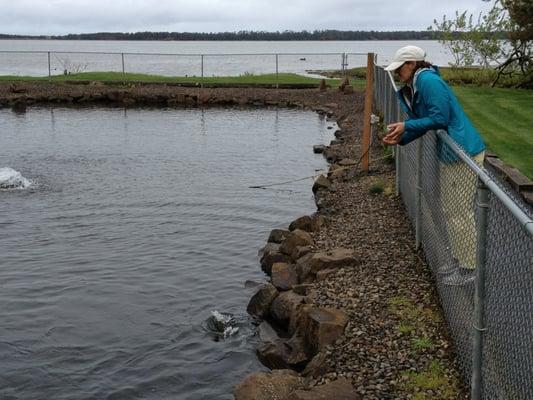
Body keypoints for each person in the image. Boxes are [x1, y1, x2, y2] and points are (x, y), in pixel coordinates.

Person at [382, 45, 486, 286]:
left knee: (459, 213)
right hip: (454, 153)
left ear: (411, 64)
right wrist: (401, 137)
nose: (397, 73)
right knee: (452, 211)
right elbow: (424, 121)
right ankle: (462, 261)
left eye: (399, 68)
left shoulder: (428, 82)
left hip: (462, 152)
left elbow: (440, 118)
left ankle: (470, 268)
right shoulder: (419, 84)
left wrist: (406, 127)